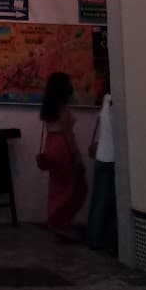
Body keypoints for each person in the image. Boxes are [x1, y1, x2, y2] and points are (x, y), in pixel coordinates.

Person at [38, 71, 87, 239]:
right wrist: (77, 158)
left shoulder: (48, 108)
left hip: (50, 145)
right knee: (75, 187)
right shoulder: (64, 111)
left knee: (57, 186)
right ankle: (60, 222)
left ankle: (56, 221)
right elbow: (69, 137)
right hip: (61, 146)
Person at [86, 87, 118, 255]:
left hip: (101, 156)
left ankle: (94, 237)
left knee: (98, 200)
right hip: (111, 158)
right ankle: (101, 240)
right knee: (107, 203)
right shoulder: (115, 101)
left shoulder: (106, 98)